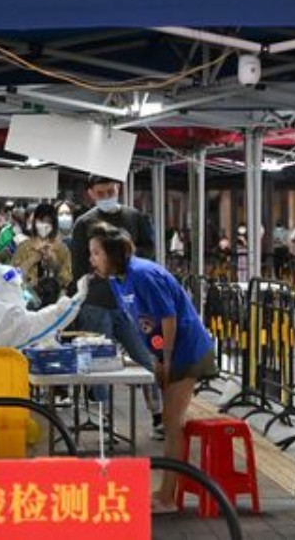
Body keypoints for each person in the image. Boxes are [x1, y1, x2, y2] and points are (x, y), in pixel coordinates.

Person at [88, 223, 217, 513]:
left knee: (172, 424)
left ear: (112, 254)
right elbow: (142, 322)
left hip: (188, 350)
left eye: (96, 253)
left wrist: (166, 359)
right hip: (167, 351)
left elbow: (168, 317)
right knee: (171, 423)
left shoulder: (144, 275)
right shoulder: (117, 279)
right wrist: (154, 356)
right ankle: (166, 491)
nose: (92, 259)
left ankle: (169, 496)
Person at [70, 175, 163, 438]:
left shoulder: (135, 217)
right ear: (91, 194)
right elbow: (78, 267)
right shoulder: (83, 224)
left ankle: (158, 415)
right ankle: (104, 417)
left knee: (146, 356)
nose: (107, 196)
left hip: (131, 303)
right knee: (99, 363)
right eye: (100, 193)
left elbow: (150, 251)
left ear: (118, 188)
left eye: (110, 190)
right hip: (96, 304)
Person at [0, 264, 83, 353]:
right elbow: (45, 321)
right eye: (19, 286)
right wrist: (77, 299)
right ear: (14, 287)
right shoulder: (12, 315)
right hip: (0, 388)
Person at [12, 203, 72, 308]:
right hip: (27, 301)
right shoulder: (23, 247)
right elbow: (8, 277)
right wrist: (31, 261)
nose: (44, 225)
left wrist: (54, 263)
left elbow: (67, 280)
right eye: (41, 221)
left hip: (54, 304)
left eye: (48, 221)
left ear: (54, 224)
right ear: (34, 222)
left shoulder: (62, 249)